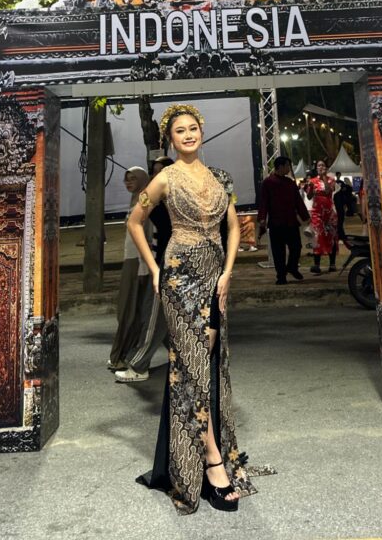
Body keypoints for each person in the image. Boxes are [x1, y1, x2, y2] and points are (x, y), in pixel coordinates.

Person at [128, 102, 262, 514]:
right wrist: (155, 270)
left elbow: (234, 227)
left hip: (214, 278)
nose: (188, 135)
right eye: (179, 131)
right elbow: (134, 222)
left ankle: (208, 452)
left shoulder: (221, 178)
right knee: (191, 368)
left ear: (201, 132)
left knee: (209, 367)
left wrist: (228, 272)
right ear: (170, 139)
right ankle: (212, 461)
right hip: (179, 278)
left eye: (192, 129)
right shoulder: (165, 179)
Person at [115, 157, 174, 384]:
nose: (156, 176)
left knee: (153, 315)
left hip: (169, 264)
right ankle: (182, 354)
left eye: (160, 171)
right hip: (160, 262)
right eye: (154, 172)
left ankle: (139, 365)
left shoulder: (163, 200)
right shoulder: (159, 199)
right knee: (161, 316)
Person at [108, 167, 153, 372]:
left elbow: (145, 236)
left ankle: (120, 356)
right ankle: (120, 355)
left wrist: (143, 266)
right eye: (126, 180)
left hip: (137, 261)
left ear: (142, 180)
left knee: (130, 310)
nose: (128, 183)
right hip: (131, 260)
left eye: (133, 179)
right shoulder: (135, 200)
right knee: (127, 310)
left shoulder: (145, 201)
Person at [257, 155, 310, 285]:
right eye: (287, 166)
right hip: (276, 223)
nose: (289, 169)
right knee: (278, 251)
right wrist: (262, 218)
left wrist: (305, 216)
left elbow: (298, 201)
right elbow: (263, 202)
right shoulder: (268, 183)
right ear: (280, 166)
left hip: (291, 221)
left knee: (296, 247)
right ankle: (281, 276)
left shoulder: (290, 183)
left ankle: (292, 267)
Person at [305, 162, 338, 273]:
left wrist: (324, 177)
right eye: (319, 166)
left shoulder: (331, 180)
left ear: (326, 168)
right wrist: (310, 187)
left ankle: (332, 264)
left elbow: (328, 191)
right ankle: (316, 265)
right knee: (317, 236)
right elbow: (309, 197)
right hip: (317, 212)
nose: (321, 167)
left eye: (323, 165)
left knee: (331, 236)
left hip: (329, 213)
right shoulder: (312, 181)